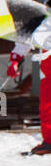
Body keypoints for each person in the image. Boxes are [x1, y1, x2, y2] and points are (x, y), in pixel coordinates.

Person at [7, 12, 51, 155]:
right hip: (48, 71)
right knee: (47, 107)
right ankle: (49, 142)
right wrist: (15, 59)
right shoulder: (44, 16)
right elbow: (26, 38)